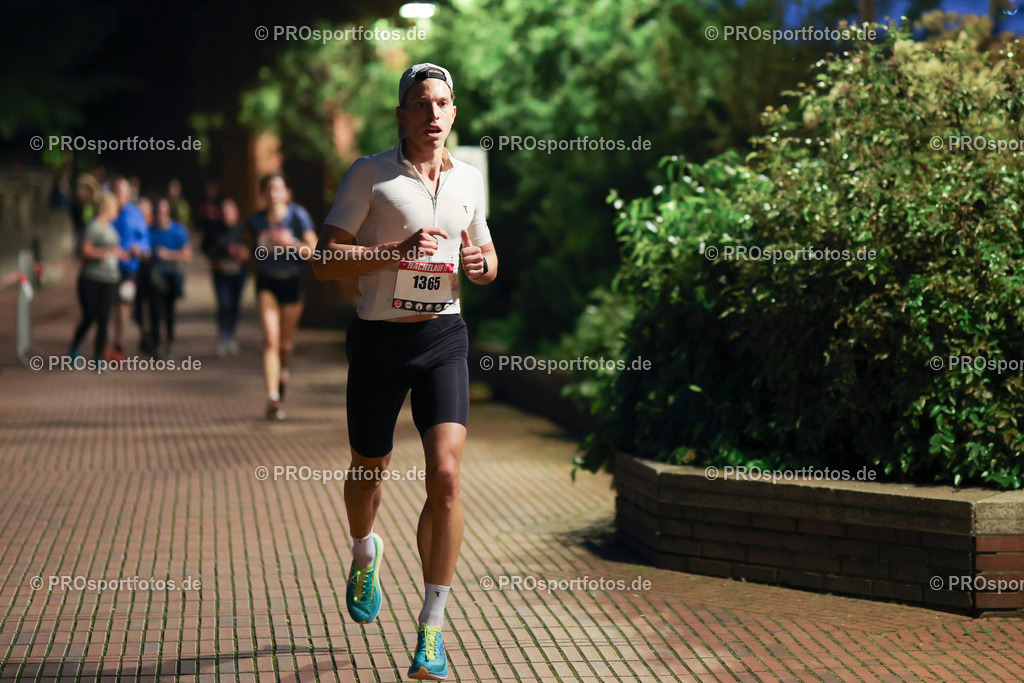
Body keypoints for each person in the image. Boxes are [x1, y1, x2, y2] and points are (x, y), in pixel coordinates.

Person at [314, 63, 497, 681]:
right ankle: (365, 552)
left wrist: (482, 264)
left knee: (444, 477)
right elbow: (326, 261)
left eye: (444, 104)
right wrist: (391, 255)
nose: (434, 115)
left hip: (443, 335)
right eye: (422, 104)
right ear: (402, 113)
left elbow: (488, 253)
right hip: (378, 341)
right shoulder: (370, 174)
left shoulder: (468, 179)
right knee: (370, 469)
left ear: (454, 112)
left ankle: (432, 630)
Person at [245, 173, 317, 420]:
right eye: (268, 189)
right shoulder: (255, 221)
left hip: (292, 282)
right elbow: (248, 252)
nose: (273, 193)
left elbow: (314, 251)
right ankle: (273, 396)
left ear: (286, 192)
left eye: (278, 188)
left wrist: (291, 243)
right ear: (263, 195)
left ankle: (283, 370)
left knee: (285, 344)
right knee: (270, 341)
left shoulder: (298, 216)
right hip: (267, 283)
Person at [69, 191, 122, 362]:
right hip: (91, 278)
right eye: (115, 207)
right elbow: (85, 251)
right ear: (107, 208)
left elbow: (114, 252)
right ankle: (75, 346)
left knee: (104, 319)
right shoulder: (94, 227)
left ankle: (98, 356)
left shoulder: (111, 229)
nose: (117, 211)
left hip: (110, 278)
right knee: (89, 316)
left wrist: (124, 254)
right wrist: (107, 252)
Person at [110, 177, 151, 361]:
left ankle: (119, 345)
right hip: (109, 266)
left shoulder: (135, 213)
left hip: (130, 267)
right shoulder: (107, 210)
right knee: (111, 305)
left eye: (122, 191)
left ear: (127, 194)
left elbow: (144, 239)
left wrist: (138, 249)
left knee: (124, 304)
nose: (119, 194)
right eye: (116, 190)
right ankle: (107, 341)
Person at [202, 197, 249, 356]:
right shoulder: (214, 229)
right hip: (221, 273)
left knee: (235, 305)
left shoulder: (243, 230)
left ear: (236, 212)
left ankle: (231, 336)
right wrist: (218, 258)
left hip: (239, 272)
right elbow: (206, 248)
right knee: (224, 304)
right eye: (225, 211)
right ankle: (223, 336)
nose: (228, 214)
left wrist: (244, 253)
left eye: (231, 211)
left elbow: (254, 249)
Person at [148, 198, 192, 359]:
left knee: (169, 313)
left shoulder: (178, 230)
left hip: (172, 276)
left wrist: (167, 254)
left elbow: (187, 255)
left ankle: (169, 343)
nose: (160, 214)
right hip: (154, 276)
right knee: (154, 311)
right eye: (157, 211)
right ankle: (155, 345)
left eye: (163, 211)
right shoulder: (149, 230)